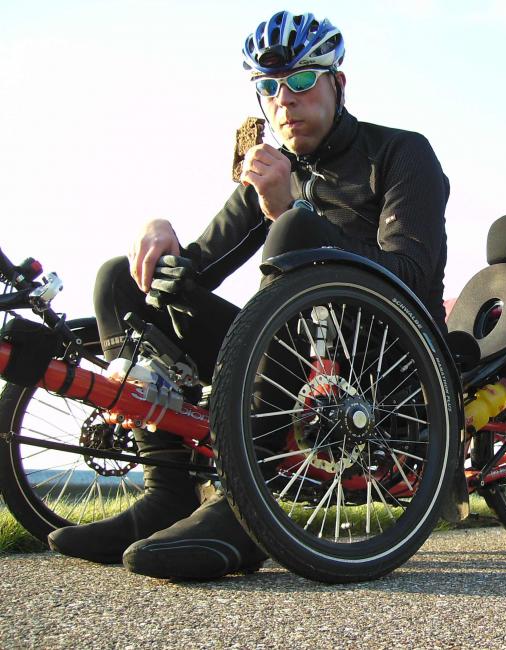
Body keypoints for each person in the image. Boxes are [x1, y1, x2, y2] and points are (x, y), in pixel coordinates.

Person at [47, 10, 450, 580]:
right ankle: (168, 493)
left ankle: (243, 505)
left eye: (303, 81)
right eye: (268, 87)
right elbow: (193, 276)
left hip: (385, 360)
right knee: (123, 277)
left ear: (339, 83)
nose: (284, 100)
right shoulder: (270, 170)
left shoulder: (403, 153)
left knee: (295, 231)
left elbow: (410, 274)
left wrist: (291, 210)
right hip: (290, 356)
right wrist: (162, 239)